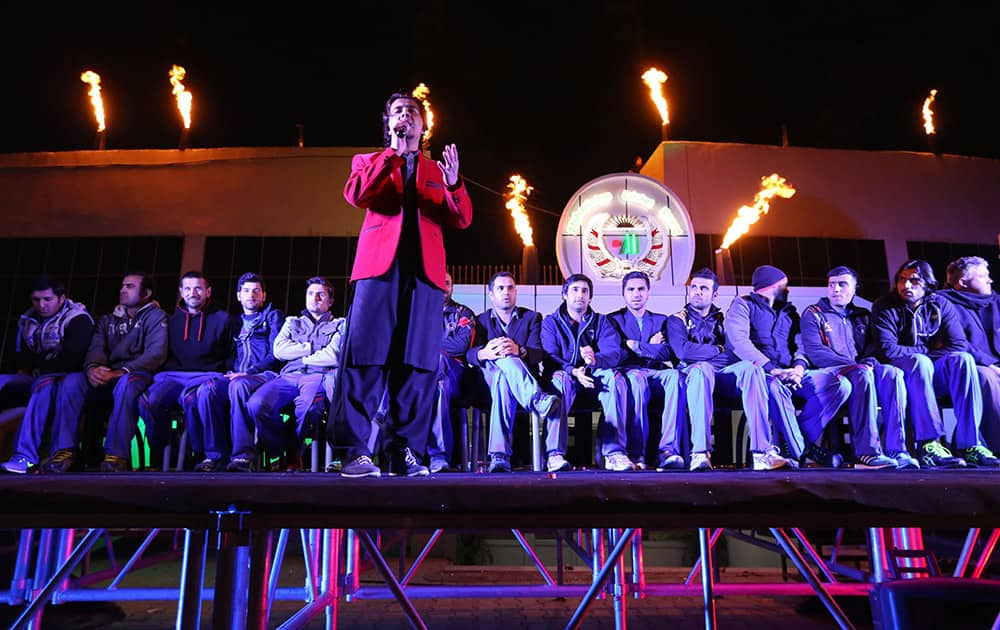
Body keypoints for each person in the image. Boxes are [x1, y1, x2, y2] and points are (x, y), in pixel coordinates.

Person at [338, 90, 473, 478]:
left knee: (416, 365)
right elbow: (357, 194)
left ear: (424, 124)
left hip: (424, 277)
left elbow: (461, 218)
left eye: (412, 111)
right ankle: (355, 452)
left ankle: (404, 452)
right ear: (389, 122)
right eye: (398, 111)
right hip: (378, 272)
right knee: (365, 357)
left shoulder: (437, 171)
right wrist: (392, 154)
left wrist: (453, 184)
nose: (405, 116)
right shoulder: (370, 160)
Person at [870, 259, 998, 468]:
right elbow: (888, 350)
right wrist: (929, 352)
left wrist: (930, 356)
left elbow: (958, 345)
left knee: (963, 360)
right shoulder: (884, 306)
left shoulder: (940, 304)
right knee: (920, 362)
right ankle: (929, 444)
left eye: (914, 281)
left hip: (932, 373)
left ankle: (970, 443)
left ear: (928, 284)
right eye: (902, 280)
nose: (906, 286)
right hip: (902, 373)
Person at [666, 268, 792, 471]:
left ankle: (762, 453)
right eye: (694, 287)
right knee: (702, 369)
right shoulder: (676, 319)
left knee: (752, 367)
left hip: (721, 378)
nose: (697, 292)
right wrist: (718, 349)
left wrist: (717, 354)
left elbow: (733, 353)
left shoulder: (722, 321)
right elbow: (683, 352)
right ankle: (700, 453)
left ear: (714, 294)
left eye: (703, 288)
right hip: (692, 378)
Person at [725, 265, 850, 468]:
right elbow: (739, 341)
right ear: (772, 286)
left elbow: (800, 344)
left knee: (839, 384)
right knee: (776, 387)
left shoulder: (790, 312)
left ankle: (794, 442)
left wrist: (799, 368)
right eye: (785, 285)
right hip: (762, 374)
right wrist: (772, 369)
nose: (788, 289)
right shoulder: (743, 305)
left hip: (791, 372)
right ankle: (803, 450)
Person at [800, 267, 915, 469]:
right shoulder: (813, 314)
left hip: (862, 370)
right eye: (831, 284)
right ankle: (867, 453)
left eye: (842, 284)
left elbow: (874, 348)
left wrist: (869, 362)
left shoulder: (863, 315)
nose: (835, 289)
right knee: (861, 373)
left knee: (892, 373)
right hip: (832, 372)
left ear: (855, 288)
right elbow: (816, 352)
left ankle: (898, 450)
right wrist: (855, 366)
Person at [65, 273, 168, 472]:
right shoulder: (107, 320)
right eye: (122, 286)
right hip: (107, 373)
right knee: (72, 381)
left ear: (146, 293)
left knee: (126, 383)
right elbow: (96, 347)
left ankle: (116, 455)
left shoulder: (156, 316)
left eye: (130, 286)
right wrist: (93, 369)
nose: (122, 290)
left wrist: (120, 371)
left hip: (138, 372)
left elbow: (156, 354)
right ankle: (64, 452)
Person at [466, 271, 565, 473]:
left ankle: (499, 457)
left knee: (505, 375)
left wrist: (519, 350)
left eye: (510, 287)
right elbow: (467, 354)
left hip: (518, 384)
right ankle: (538, 399)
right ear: (491, 294)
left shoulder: (532, 318)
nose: (506, 292)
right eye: (500, 288)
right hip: (487, 385)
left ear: (516, 291)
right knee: (502, 359)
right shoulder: (481, 321)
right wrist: (484, 353)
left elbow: (539, 354)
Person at [138, 271, 235, 471]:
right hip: (173, 377)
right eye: (188, 288)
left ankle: (209, 456)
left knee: (194, 399)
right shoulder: (170, 321)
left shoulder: (223, 319)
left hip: (208, 376)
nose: (193, 293)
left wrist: (228, 372)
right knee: (148, 400)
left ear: (208, 292)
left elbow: (232, 352)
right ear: (181, 292)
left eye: (198, 288)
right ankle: (168, 455)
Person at [247, 277, 344, 472]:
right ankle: (281, 449)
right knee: (256, 405)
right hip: (288, 375)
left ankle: (293, 453)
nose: (314, 298)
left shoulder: (340, 324)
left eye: (321, 294)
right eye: (310, 293)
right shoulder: (292, 322)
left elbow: (333, 356)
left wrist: (301, 355)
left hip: (318, 375)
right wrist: (312, 348)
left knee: (308, 409)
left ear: (330, 301)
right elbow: (279, 351)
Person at [1, 276, 94, 474]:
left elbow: (71, 358)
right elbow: (21, 359)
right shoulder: (27, 320)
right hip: (39, 374)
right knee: (3, 381)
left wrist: (40, 365)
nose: (41, 305)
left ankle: (25, 457)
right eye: (36, 300)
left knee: (45, 385)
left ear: (61, 298)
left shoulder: (77, 318)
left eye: (47, 299)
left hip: (68, 376)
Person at [541, 273, 632, 471]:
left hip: (593, 378)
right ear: (564, 294)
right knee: (560, 380)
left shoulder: (601, 321)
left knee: (615, 378)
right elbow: (550, 357)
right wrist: (573, 371)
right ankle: (555, 454)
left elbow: (614, 353)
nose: (580, 295)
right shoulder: (551, 322)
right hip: (566, 377)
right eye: (574, 290)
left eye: (585, 291)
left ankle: (614, 453)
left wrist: (594, 360)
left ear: (590, 297)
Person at [201, 273, 284, 472]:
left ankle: (243, 456)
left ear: (264, 296)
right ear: (238, 296)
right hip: (235, 375)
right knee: (207, 389)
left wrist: (250, 372)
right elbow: (227, 352)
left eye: (256, 290)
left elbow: (276, 354)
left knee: (239, 386)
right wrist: (229, 371)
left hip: (264, 375)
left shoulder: (272, 316)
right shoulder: (233, 322)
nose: (251, 295)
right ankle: (214, 456)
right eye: (246, 290)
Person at [607, 271, 682, 471]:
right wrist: (650, 347)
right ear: (623, 293)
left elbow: (669, 351)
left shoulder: (661, 320)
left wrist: (638, 346)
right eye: (631, 289)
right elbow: (618, 352)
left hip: (655, 372)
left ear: (648, 292)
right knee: (636, 378)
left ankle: (668, 450)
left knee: (675, 376)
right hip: (629, 372)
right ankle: (636, 453)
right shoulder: (613, 320)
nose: (636, 294)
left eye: (641, 289)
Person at [941, 256, 1000, 454]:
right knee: (986, 378)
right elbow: (957, 343)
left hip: (995, 362)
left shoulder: (996, 300)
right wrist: (990, 364)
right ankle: (994, 446)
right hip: (967, 365)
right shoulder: (943, 302)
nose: (989, 280)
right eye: (983, 276)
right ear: (963, 282)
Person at [427, 272, 476, 473]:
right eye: (438, 282)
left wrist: (426, 345)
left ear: (452, 287)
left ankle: (438, 456)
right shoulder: (419, 313)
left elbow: (461, 346)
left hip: (456, 376)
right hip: (427, 380)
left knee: (438, 361)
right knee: (438, 386)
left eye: (446, 282)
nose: (443, 286)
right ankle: (436, 458)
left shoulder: (463, 313)